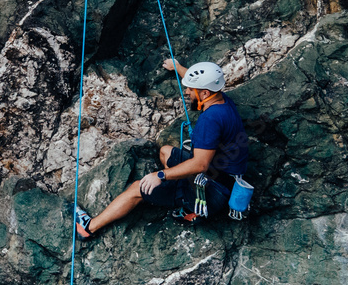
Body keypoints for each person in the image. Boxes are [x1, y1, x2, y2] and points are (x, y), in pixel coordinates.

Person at [75, 59, 248, 237]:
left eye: (190, 89)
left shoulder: (211, 119)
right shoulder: (222, 100)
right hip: (224, 177)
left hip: (211, 192)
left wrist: (160, 175)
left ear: (204, 93)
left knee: (137, 188)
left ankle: (88, 228)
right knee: (165, 152)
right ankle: (177, 191)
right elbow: (202, 83)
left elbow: (200, 165)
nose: (187, 92)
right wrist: (178, 67)